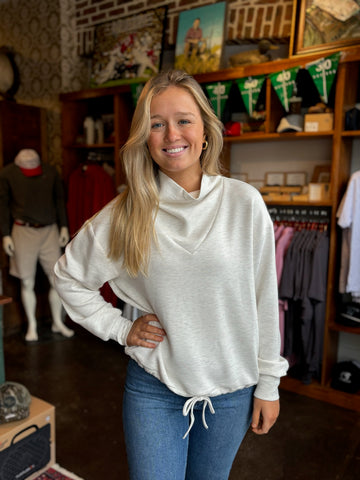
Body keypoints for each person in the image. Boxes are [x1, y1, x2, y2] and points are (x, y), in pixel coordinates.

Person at [53, 70, 288, 480]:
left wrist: (269, 384)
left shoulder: (243, 204)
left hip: (232, 390)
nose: (170, 134)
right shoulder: (126, 214)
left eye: (183, 120)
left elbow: (264, 299)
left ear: (205, 130)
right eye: (156, 124)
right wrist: (119, 326)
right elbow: (68, 276)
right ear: (144, 137)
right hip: (154, 389)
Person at [0, 149, 74, 342]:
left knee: (56, 279)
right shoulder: (8, 174)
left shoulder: (50, 172)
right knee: (26, 281)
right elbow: (3, 205)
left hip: (49, 230)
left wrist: (64, 226)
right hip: (22, 231)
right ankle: (32, 325)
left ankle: (57, 322)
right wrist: (5, 235)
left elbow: (59, 201)